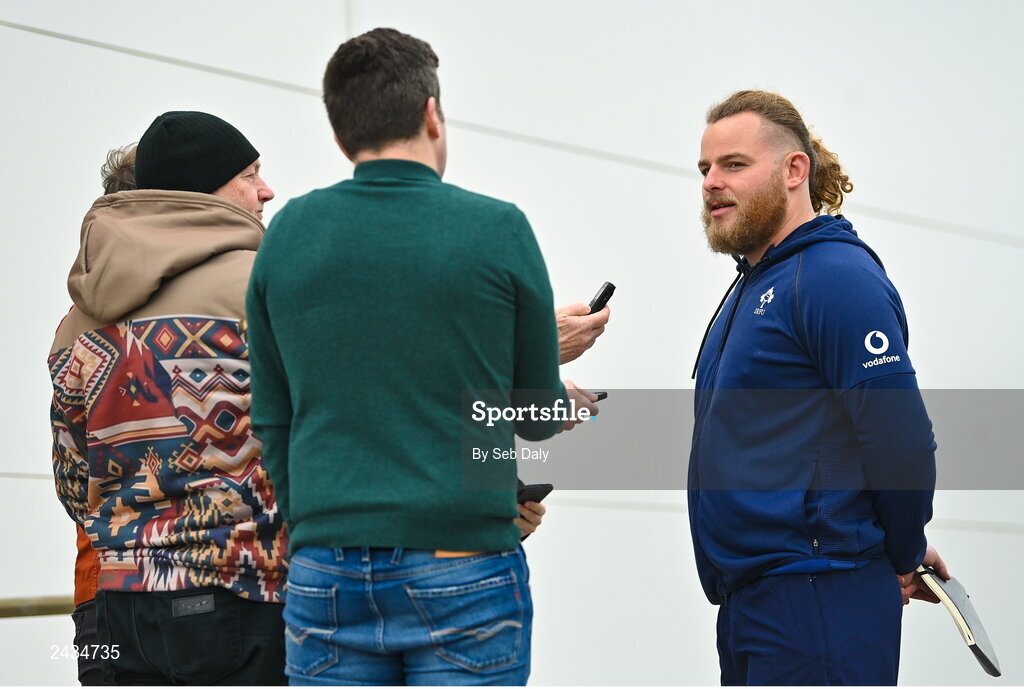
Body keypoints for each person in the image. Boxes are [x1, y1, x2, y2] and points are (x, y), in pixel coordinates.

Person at [245, 27, 597, 686]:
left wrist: (313, 521)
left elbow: (273, 417)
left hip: (325, 564)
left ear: (341, 135)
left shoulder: (289, 232)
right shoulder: (497, 228)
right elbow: (534, 414)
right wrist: (567, 403)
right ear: (432, 114)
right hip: (462, 557)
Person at [687, 90, 947, 686]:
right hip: (756, 604)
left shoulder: (835, 276)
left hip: (819, 597)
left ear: (794, 170)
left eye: (734, 164)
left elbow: (901, 440)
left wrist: (904, 550)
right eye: (704, 168)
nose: (711, 183)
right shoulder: (752, 288)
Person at [48, 111, 287, 685]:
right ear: (203, 189)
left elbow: (73, 483)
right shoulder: (266, 287)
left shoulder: (77, 323)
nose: (266, 190)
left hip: (115, 608)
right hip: (242, 595)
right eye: (250, 174)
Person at [67, 143, 138, 687]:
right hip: (199, 588)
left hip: (99, 591)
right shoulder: (212, 309)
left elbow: (70, 479)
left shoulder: (78, 318)